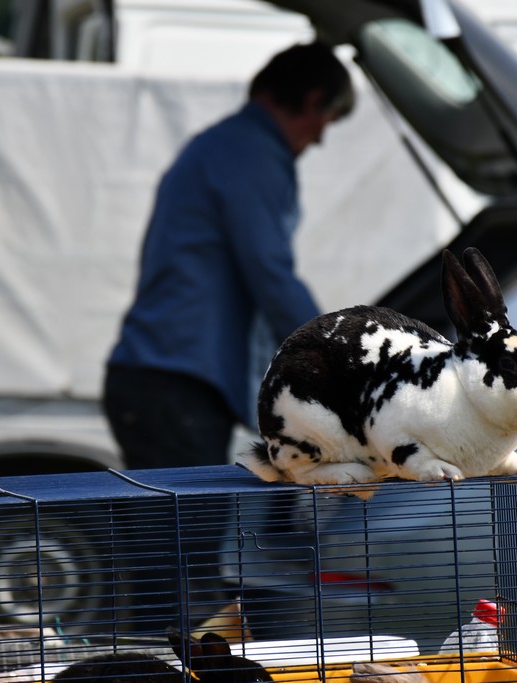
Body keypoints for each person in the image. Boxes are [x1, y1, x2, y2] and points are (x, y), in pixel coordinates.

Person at [103, 41, 356, 474]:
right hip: (176, 385)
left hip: (160, 379)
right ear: (312, 100)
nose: (318, 139)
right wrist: (339, 361)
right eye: (324, 122)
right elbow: (270, 275)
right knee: (190, 537)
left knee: (168, 537)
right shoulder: (252, 154)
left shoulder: (223, 146)